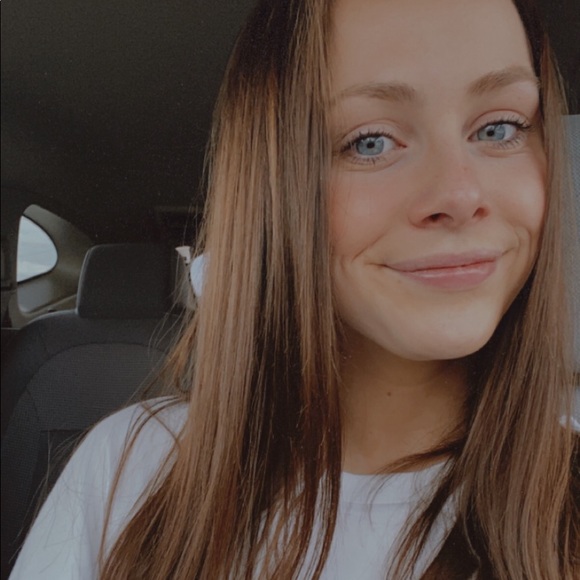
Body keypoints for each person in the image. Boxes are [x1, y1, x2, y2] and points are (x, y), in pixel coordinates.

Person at [9, 0, 580, 578]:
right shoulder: (128, 470)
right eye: (371, 141)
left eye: (500, 128)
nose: (460, 195)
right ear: (276, 191)